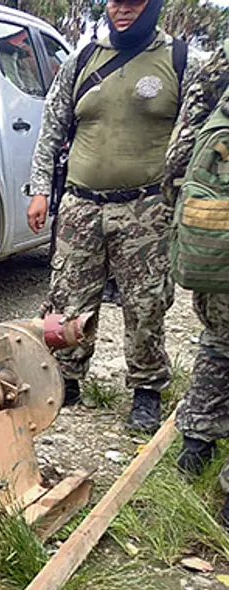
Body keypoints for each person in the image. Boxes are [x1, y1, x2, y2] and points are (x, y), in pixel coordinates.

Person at [26, 0, 198, 432]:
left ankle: (146, 391)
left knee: (146, 302)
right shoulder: (84, 59)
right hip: (80, 204)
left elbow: (196, 133)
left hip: (147, 208)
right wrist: (40, 189)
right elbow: (52, 125)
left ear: (153, 6)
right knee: (67, 297)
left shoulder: (179, 61)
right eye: (115, 1)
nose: (122, 10)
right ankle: (66, 378)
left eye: (134, 2)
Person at [165, 40, 229, 525]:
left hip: (213, 235)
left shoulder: (218, 63)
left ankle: (196, 445)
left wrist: (179, 216)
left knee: (218, 339)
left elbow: (181, 150)